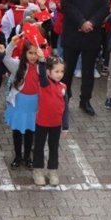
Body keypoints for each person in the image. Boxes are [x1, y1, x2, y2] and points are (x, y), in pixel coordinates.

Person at [59, 0, 109, 116]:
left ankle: (85, 100)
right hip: (73, 31)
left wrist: (92, 23)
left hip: (92, 34)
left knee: (88, 71)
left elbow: (104, 7)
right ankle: (64, 100)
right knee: (67, 70)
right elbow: (66, 5)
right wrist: (81, 22)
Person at [2, 36, 40, 169]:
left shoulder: (42, 67)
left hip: (34, 103)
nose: (33, 56)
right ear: (24, 53)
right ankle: (18, 156)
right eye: (30, 53)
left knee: (30, 131)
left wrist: (43, 58)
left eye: (36, 53)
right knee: (17, 131)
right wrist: (12, 44)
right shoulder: (18, 65)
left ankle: (27, 157)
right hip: (19, 102)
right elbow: (5, 58)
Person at [32, 55, 67, 186]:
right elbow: (41, 75)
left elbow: (65, 107)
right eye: (56, 71)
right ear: (48, 72)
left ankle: (52, 171)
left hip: (56, 125)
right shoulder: (44, 84)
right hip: (42, 123)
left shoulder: (63, 86)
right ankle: (38, 171)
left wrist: (66, 126)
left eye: (62, 71)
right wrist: (41, 61)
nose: (59, 74)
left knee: (54, 148)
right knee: (39, 147)